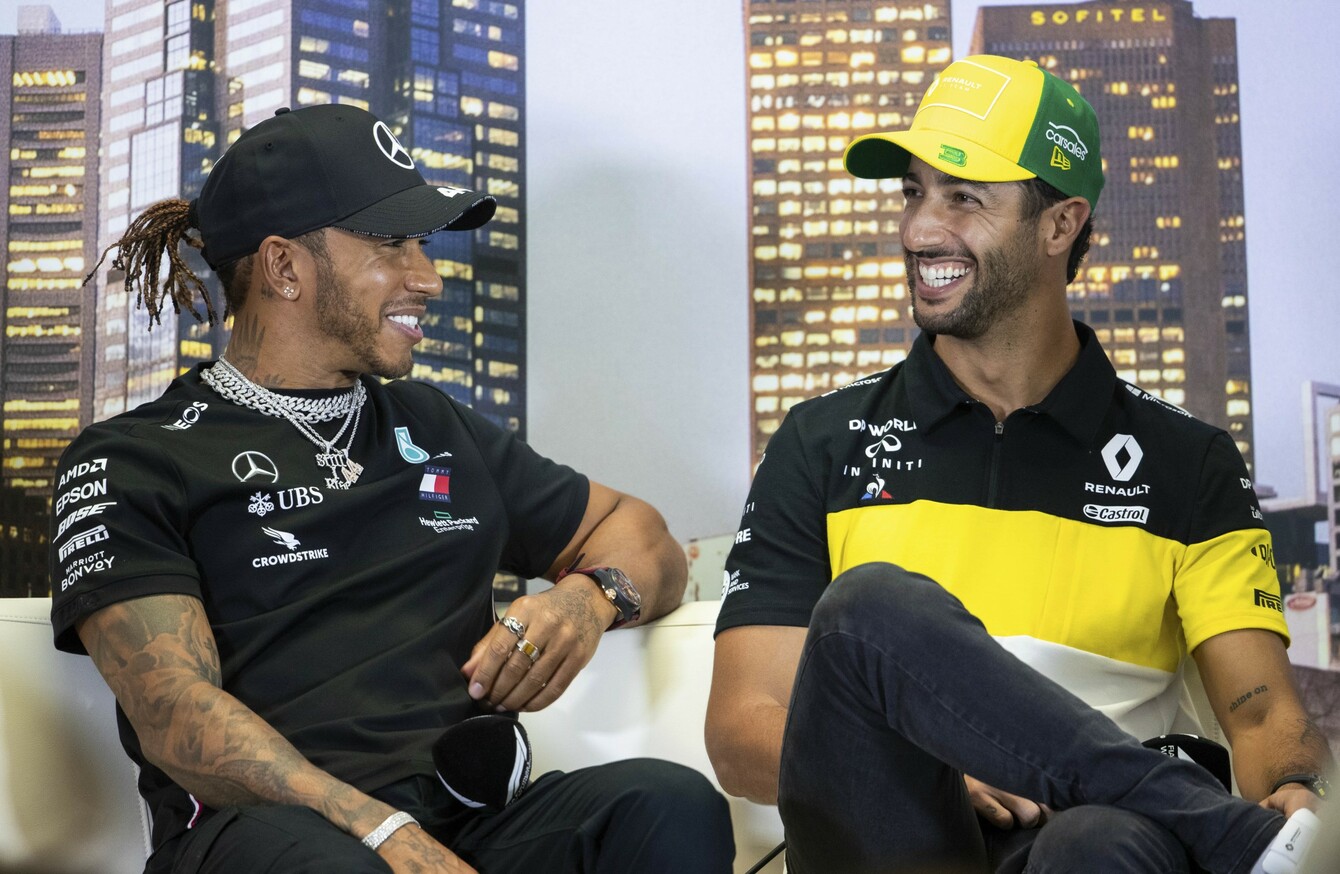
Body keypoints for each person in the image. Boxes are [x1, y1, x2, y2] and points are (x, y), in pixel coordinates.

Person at [50, 104, 734, 874]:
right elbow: (173, 712)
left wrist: (590, 596)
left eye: (423, 246)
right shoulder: (132, 459)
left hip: (464, 826)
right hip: (269, 835)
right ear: (285, 268)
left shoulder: (436, 425)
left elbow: (644, 539)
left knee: (668, 805)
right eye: (390, 245)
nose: (428, 278)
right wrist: (381, 832)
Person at [704, 55, 1332, 874]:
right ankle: (1222, 831)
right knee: (868, 606)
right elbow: (740, 729)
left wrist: (1294, 785)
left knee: (1095, 840)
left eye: (963, 198)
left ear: (1060, 225)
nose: (919, 230)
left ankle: (1210, 825)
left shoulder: (1190, 461)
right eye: (914, 193)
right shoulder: (820, 441)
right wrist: (936, 766)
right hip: (893, 834)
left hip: (1098, 843)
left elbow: (1261, 713)